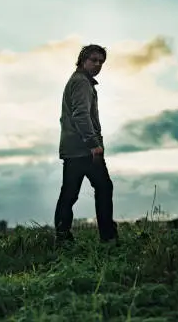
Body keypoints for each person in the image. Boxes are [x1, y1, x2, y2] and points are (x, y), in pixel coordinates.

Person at [54, 44, 119, 245]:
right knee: (103, 188)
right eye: (94, 60)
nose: (98, 64)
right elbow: (81, 115)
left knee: (70, 193)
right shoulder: (81, 82)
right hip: (84, 149)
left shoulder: (80, 81)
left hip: (75, 148)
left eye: (101, 61)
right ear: (83, 60)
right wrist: (93, 144)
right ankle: (108, 237)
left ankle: (63, 237)